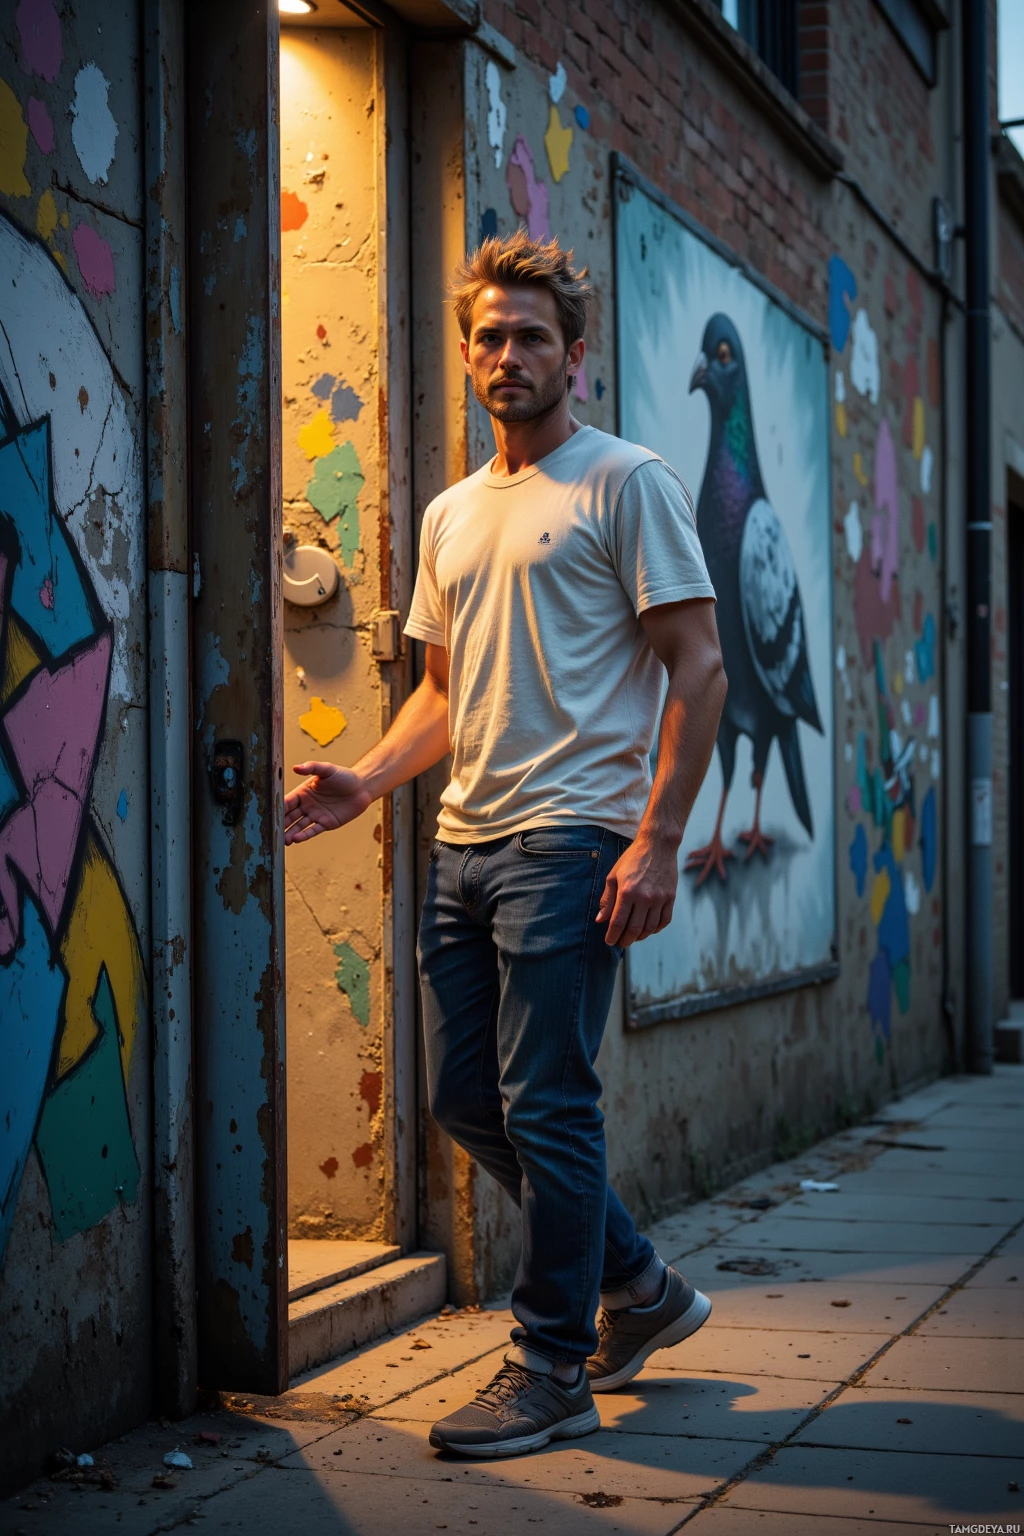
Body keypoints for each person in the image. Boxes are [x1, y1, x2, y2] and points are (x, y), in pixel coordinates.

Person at [284, 231, 727, 1460]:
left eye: (531, 335)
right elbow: (441, 691)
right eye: (486, 335)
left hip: (573, 841)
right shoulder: (449, 514)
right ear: (468, 354)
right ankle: (637, 1286)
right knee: (468, 1098)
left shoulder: (626, 481)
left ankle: (551, 1365)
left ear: (572, 355)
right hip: (464, 846)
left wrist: (656, 842)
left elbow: (700, 668)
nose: (505, 354)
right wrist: (367, 780)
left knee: (550, 1102)